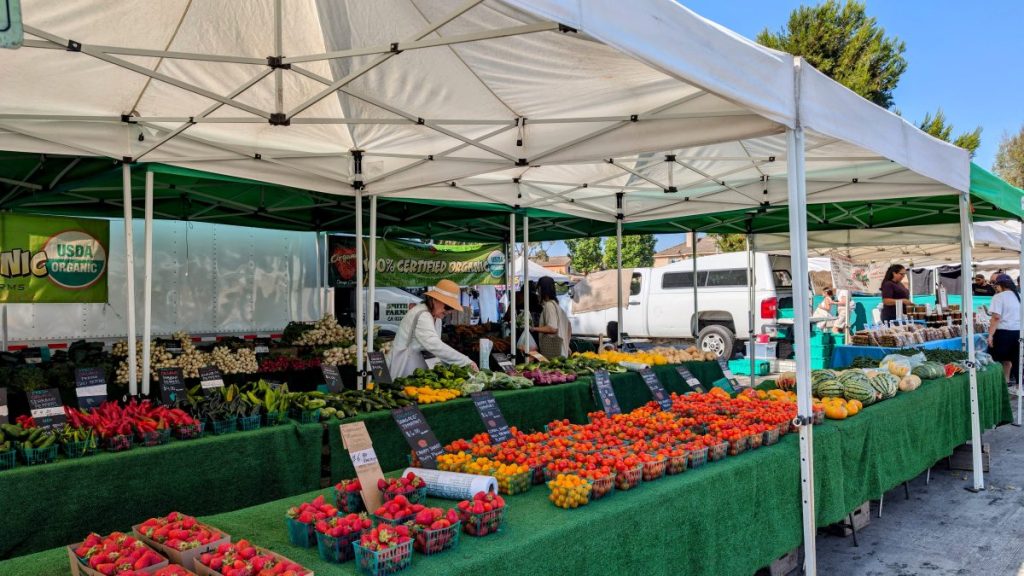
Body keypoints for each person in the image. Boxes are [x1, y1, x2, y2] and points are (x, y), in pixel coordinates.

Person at [388, 279, 478, 378]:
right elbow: (435, 345)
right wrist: (465, 361)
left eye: (451, 309)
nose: (449, 312)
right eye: (448, 307)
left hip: (417, 366)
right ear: (434, 300)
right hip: (405, 365)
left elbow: (435, 348)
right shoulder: (422, 315)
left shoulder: (436, 317)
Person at [987, 274, 1020, 384]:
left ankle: (995, 383)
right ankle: (1011, 383)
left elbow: (996, 317)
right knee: (1014, 360)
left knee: (993, 360)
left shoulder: (999, 297)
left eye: (995, 285)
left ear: (1001, 285)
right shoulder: (1019, 295)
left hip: (1003, 333)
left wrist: (990, 335)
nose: (995, 287)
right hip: (1018, 333)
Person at [531, 276, 572, 357]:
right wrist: (567, 344)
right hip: (562, 352)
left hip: (555, 354)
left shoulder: (549, 305)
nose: (537, 293)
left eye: (538, 289)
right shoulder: (557, 305)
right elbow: (569, 327)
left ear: (541, 289)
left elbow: (552, 328)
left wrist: (533, 328)